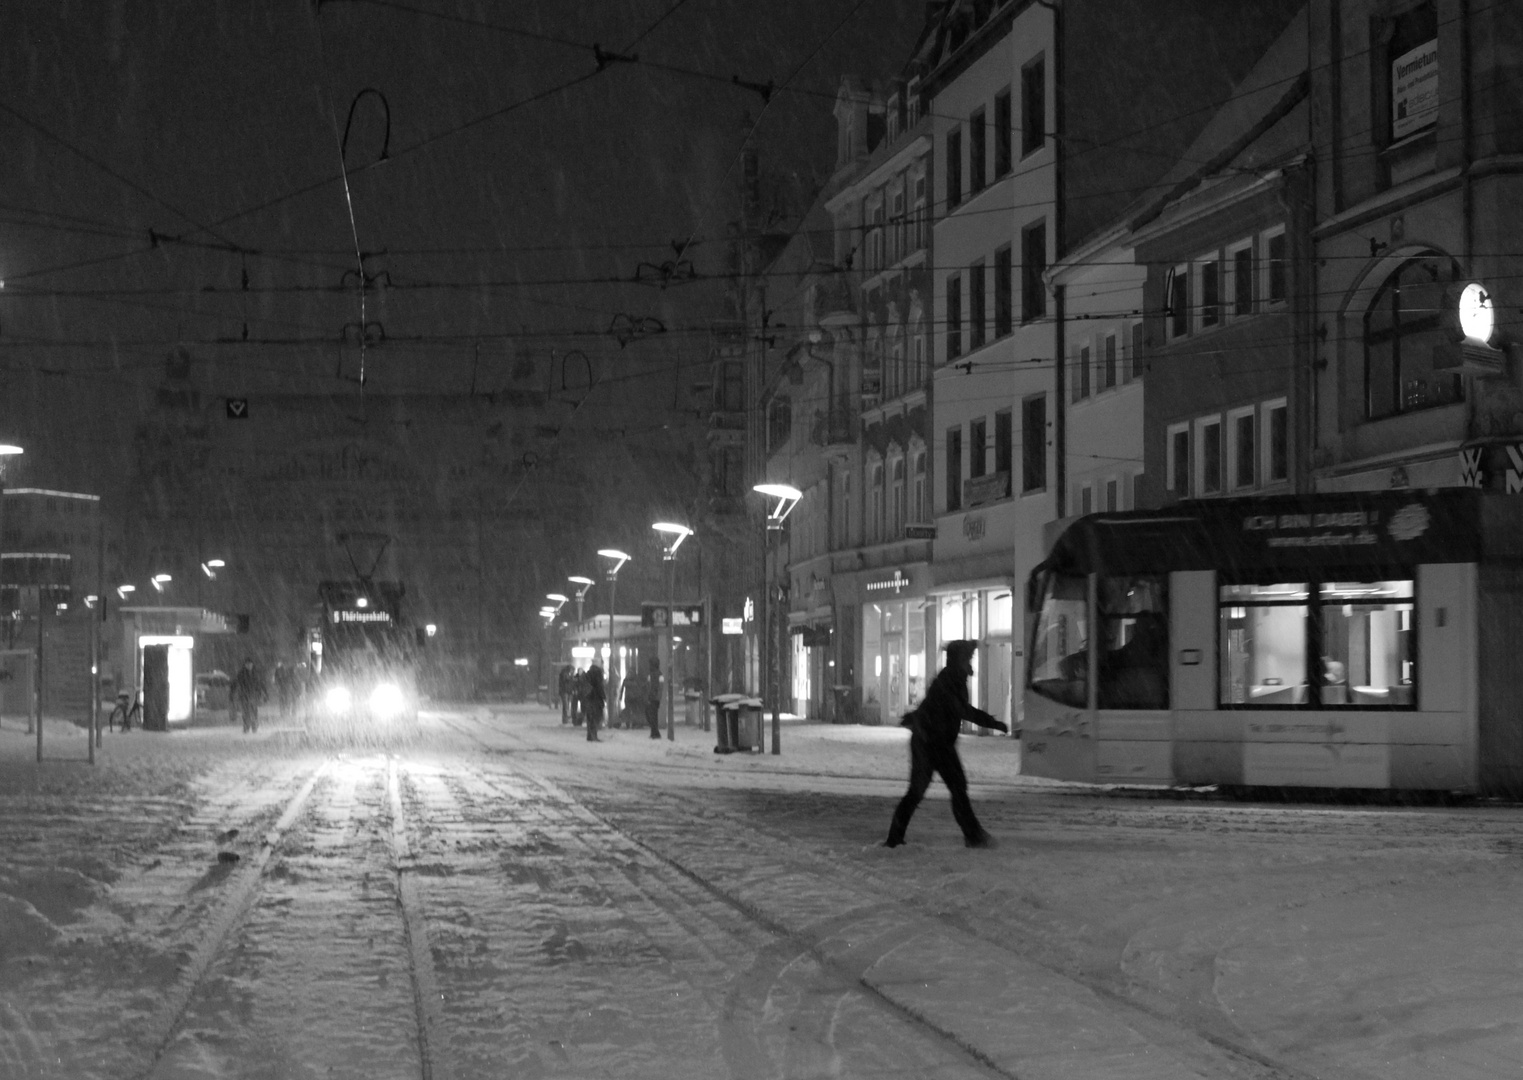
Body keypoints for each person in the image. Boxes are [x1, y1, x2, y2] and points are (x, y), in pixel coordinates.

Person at [884, 640, 1008, 849]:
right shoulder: (950, 679)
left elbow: (945, 707)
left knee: (951, 789)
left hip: (934, 740)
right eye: (968, 657)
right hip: (930, 742)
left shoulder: (952, 677)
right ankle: (973, 836)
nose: (970, 661)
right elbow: (961, 710)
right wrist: (991, 722)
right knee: (929, 790)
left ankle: (971, 835)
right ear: (957, 660)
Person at [231, 658, 266, 734]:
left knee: (254, 711)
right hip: (244, 695)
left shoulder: (255, 673)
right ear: (245, 665)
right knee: (246, 712)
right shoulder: (241, 674)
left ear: (252, 664)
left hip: (253, 695)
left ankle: (254, 726)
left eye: (250, 664)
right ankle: (246, 726)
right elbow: (235, 683)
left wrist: (264, 693)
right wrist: (232, 693)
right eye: (247, 664)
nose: (249, 666)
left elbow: (260, 684)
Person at [582, 663, 606, 742]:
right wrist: (603, 696)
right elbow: (600, 687)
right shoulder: (597, 675)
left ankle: (590, 735)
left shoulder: (587, 675)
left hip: (588, 698)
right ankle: (594, 735)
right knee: (596, 717)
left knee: (590, 717)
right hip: (596, 699)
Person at [644, 655, 663, 739]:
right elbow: (659, 688)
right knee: (653, 715)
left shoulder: (652, 675)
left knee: (651, 715)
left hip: (652, 698)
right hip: (654, 698)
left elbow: (650, 687)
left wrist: (651, 697)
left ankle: (655, 732)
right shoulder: (659, 675)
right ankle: (654, 732)